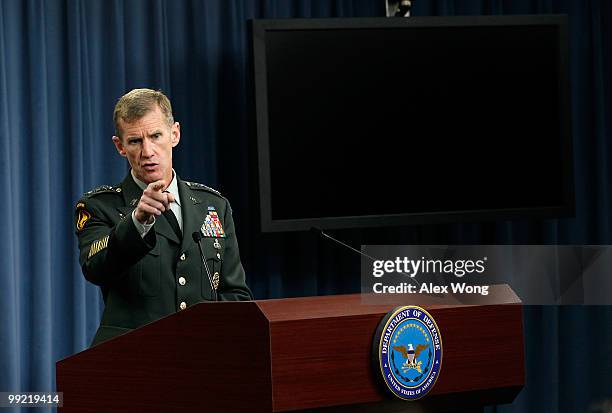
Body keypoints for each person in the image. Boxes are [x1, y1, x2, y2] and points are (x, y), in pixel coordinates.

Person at [74, 88, 252, 346]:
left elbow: (235, 294)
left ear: (175, 134)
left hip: (203, 356)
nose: (147, 151)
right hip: (133, 357)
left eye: (156, 136)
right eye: (135, 141)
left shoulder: (213, 205)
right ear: (120, 146)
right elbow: (96, 268)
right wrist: (137, 222)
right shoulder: (99, 206)